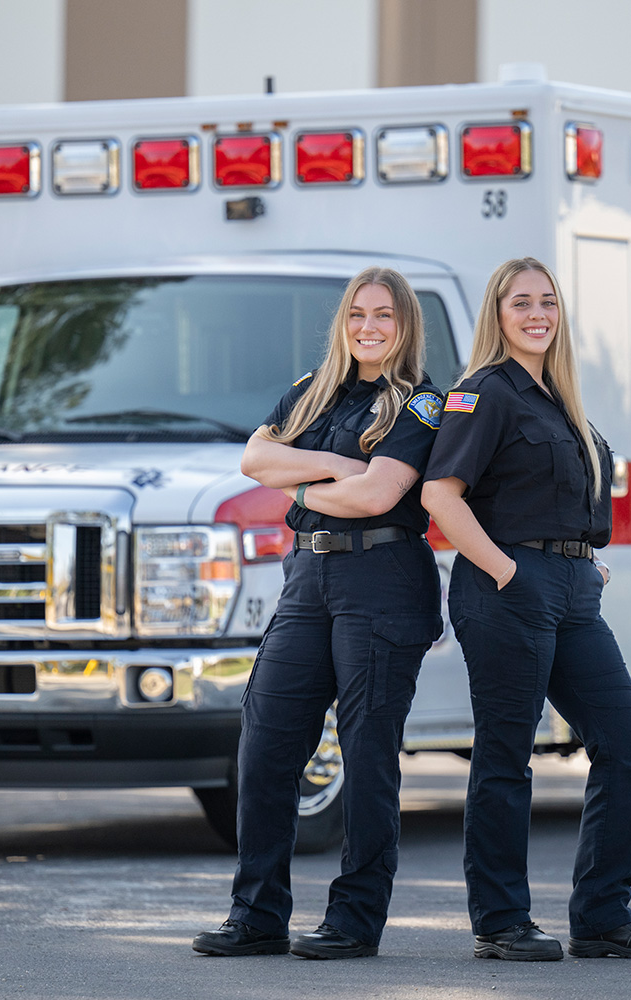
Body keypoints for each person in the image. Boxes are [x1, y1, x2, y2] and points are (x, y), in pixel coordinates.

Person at [421, 257, 631, 962]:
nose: (537, 314)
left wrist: (582, 564)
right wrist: (509, 571)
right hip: (505, 587)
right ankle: (501, 922)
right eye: (522, 302)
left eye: (548, 302)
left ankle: (602, 916)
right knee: (506, 756)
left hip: (569, 590)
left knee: (628, 745)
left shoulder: (558, 398)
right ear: (498, 314)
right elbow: (440, 496)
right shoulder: (483, 391)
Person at [193, 267, 444, 960]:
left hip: (382, 579)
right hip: (307, 578)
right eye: (358, 313)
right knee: (266, 744)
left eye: (384, 315)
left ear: (405, 325)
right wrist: (336, 467)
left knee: (367, 757)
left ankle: (354, 920)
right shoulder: (313, 389)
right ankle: (257, 915)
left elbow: (375, 497)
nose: (369, 326)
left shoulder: (422, 403)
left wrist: (299, 480)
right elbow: (254, 459)